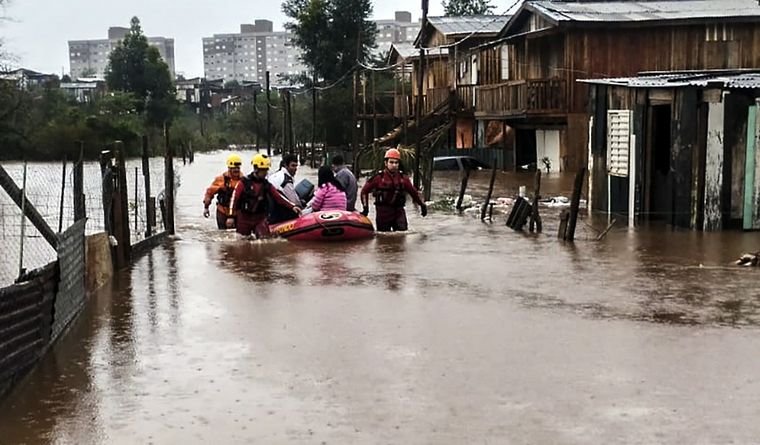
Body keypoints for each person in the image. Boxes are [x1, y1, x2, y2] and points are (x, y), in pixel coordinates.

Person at [229, 154, 302, 238]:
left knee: (264, 239)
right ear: (256, 169)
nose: (265, 173)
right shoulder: (244, 182)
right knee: (242, 241)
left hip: (259, 217)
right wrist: (230, 216)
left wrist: (292, 206)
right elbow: (234, 199)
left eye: (266, 170)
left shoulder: (266, 184)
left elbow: (278, 197)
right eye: (263, 170)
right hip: (244, 217)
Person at [360, 148, 428, 232]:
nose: (394, 165)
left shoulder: (403, 179)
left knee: (402, 235)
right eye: (391, 162)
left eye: (396, 162)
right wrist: (365, 208)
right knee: (383, 239)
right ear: (386, 163)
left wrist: (422, 205)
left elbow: (413, 192)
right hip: (383, 213)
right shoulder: (378, 178)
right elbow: (364, 191)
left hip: (398, 212)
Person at [203, 154, 243, 229]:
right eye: (234, 168)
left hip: (238, 212)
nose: (236, 170)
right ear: (229, 168)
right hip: (223, 211)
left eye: (238, 168)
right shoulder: (221, 180)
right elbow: (210, 193)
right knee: (223, 233)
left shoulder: (243, 180)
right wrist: (206, 207)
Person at [268, 154, 302, 224]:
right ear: (286, 165)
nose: (295, 168)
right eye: (292, 166)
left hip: (269, 210)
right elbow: (294, 201)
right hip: (277, 213)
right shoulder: (286, 181)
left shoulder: (276, 174)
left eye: (296, 166)